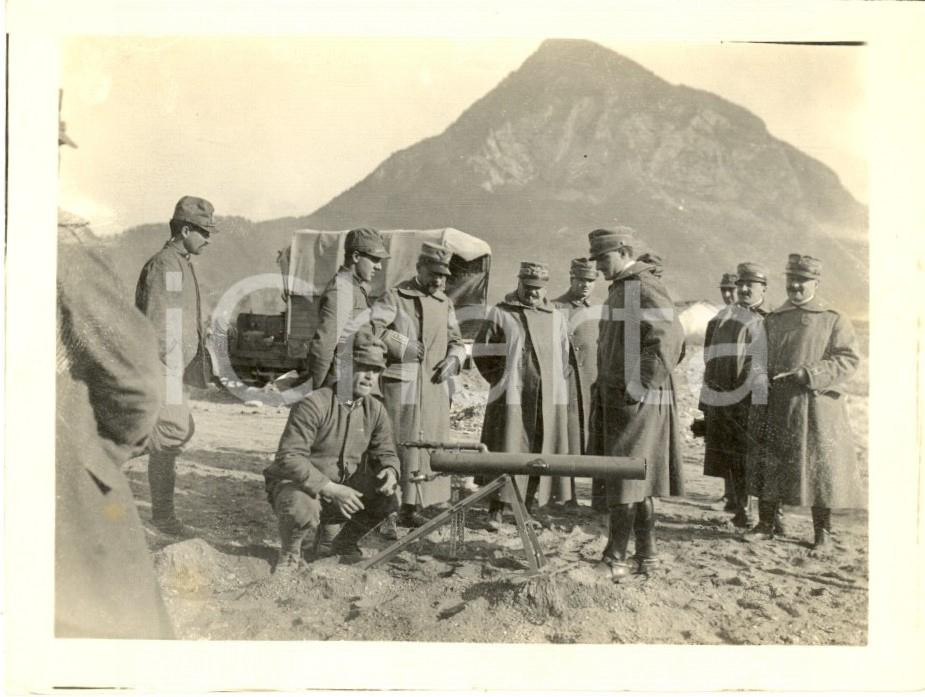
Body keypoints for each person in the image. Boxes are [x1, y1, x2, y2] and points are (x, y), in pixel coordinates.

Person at [56, 120, 172, 637]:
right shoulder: (63, 245)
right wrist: (98, 453)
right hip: (59, 472)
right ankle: (165, 511)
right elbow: (137, 378)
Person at [745, 254, 864, 551]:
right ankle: (767, 524)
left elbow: (847, 360)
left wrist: (809, 374)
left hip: (815, 407)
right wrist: (759, 385)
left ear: (816, 282)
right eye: (791, 279)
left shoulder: (833, 318)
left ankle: (822, 532)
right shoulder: (773, 319)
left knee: (819, 468)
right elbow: (757, 359)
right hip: (776, 405)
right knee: (770, 462)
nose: (795, 285)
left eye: (802, 280)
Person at [588, 228, 685, 581]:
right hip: (621, 398)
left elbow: (670, 338)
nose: (598, 266)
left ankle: (615, 558)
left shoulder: (643, 287)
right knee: (633, 475)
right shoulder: (622, 288)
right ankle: (648, 554)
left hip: (635, 401)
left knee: (625, 474)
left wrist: (641, 383)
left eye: (603, 258)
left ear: (624, 252)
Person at [264, 335, 400, 572]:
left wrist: (390, 470)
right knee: (301, 506)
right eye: (363, 367)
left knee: (389, 496)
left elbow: (386, 451)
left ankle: (342, 543)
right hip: (302, 486)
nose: (370, 376)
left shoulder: (375, 409)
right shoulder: (314, 404)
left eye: (376, 370)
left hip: (343, 489)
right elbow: (289, 457)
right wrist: (331, 489)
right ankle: (290, 552)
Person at [135, 196, 218, 536]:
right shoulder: (167, 265)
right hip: (163, 367)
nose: (208, 239)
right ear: (185, 230)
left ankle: (163, 517)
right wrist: (169, 369)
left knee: (171, 436)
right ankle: (100, 458)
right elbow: (161, 320)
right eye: (203, 232)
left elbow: (174, 316)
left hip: (172, 368)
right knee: (172, 431)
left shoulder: (179, 263)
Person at [371, 242, 466, 528]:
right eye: (434, 273)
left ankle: (414, 506)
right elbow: (374, 328)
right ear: (419, 268)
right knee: (399, 445)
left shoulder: (445, 303)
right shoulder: (395, 296)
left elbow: (457, 341)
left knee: (427, 448)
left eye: (443, 276)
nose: (439, 281)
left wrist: (454, 360)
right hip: (402, 386)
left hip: (435, 387)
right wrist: (403, 344)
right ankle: (388, 508)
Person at [472, 261, 570, 531]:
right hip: (511, 398)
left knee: (538, 452)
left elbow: (564, 357)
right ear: (518, 283)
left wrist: (552, 384)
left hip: (544, 401)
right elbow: (482, 351)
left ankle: (525, 508)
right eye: (528, 286)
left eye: (538, 288)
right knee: (504, 448)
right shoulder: (501, 313)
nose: (533, 292)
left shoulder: (556, 317)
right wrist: (501, 379)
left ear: (545, 288)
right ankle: (496, 510)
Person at [699, 262, 769, 528]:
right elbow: (709, 359)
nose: (744, 289)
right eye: (741, 284)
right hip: (724, 401)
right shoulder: (721, 320)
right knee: (733, 457)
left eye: (751, 285)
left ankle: (773, 517)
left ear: (763, 288)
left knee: (757, 458)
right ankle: (742, 510)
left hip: (752, 401)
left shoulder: (770, 320)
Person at [305, 227, 390, 390]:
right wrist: (318, 391)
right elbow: (323, 346)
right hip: (341, 385)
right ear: (356, 257)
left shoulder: (356, 288)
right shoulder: (342, 290)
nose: (379, 267)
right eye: (375, 259)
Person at [551, 257, 601, 510]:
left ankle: (598, 499)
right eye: (581, 280)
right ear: (571, 279)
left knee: (592, 439)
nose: (585, 285)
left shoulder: (599, 312)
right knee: (566, 438)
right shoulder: (554, 308)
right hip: (565, 383)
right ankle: (564, 494)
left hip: (591, 384)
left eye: (590, 280)